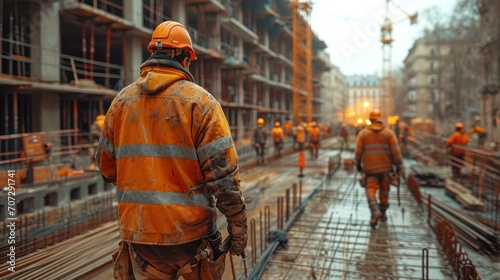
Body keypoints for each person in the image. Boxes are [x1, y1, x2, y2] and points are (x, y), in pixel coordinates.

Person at [95, 21, 247, 280]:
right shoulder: (202, 104)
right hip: (191, 238)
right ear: (186, 58)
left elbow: (107, 168)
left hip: (140, 236)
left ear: (152, 53)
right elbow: (223, 181)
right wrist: (238, 228)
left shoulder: (120, 103)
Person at [355, 109, 403, 228]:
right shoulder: (389, 134)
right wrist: (399, 165)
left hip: (370, 170)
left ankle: (375, 211)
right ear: (381, 119)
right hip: (386, 170)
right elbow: (396, 153)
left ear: (370, 120)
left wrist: (358, 165)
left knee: (370, 190)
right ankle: (383, 213)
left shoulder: (363, 134)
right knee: (384, 191)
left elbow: (358, 153)